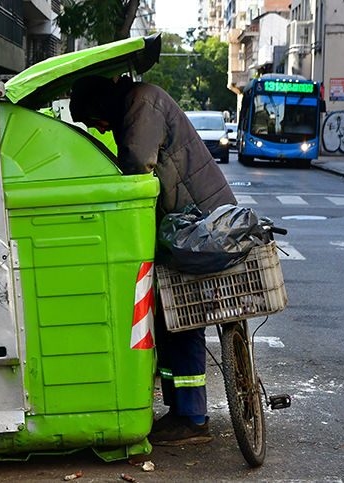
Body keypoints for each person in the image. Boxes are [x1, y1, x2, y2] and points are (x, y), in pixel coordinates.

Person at [70, 75, 237, 444]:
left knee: (183, 320)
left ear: (99, 105)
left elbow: (134, 170)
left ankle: (193, 418)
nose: (97, 127)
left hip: (198, 225)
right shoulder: (136, 104)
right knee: (165, 320)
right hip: (185, 223)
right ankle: (180, 411)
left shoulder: (141, 105)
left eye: (91, 119)